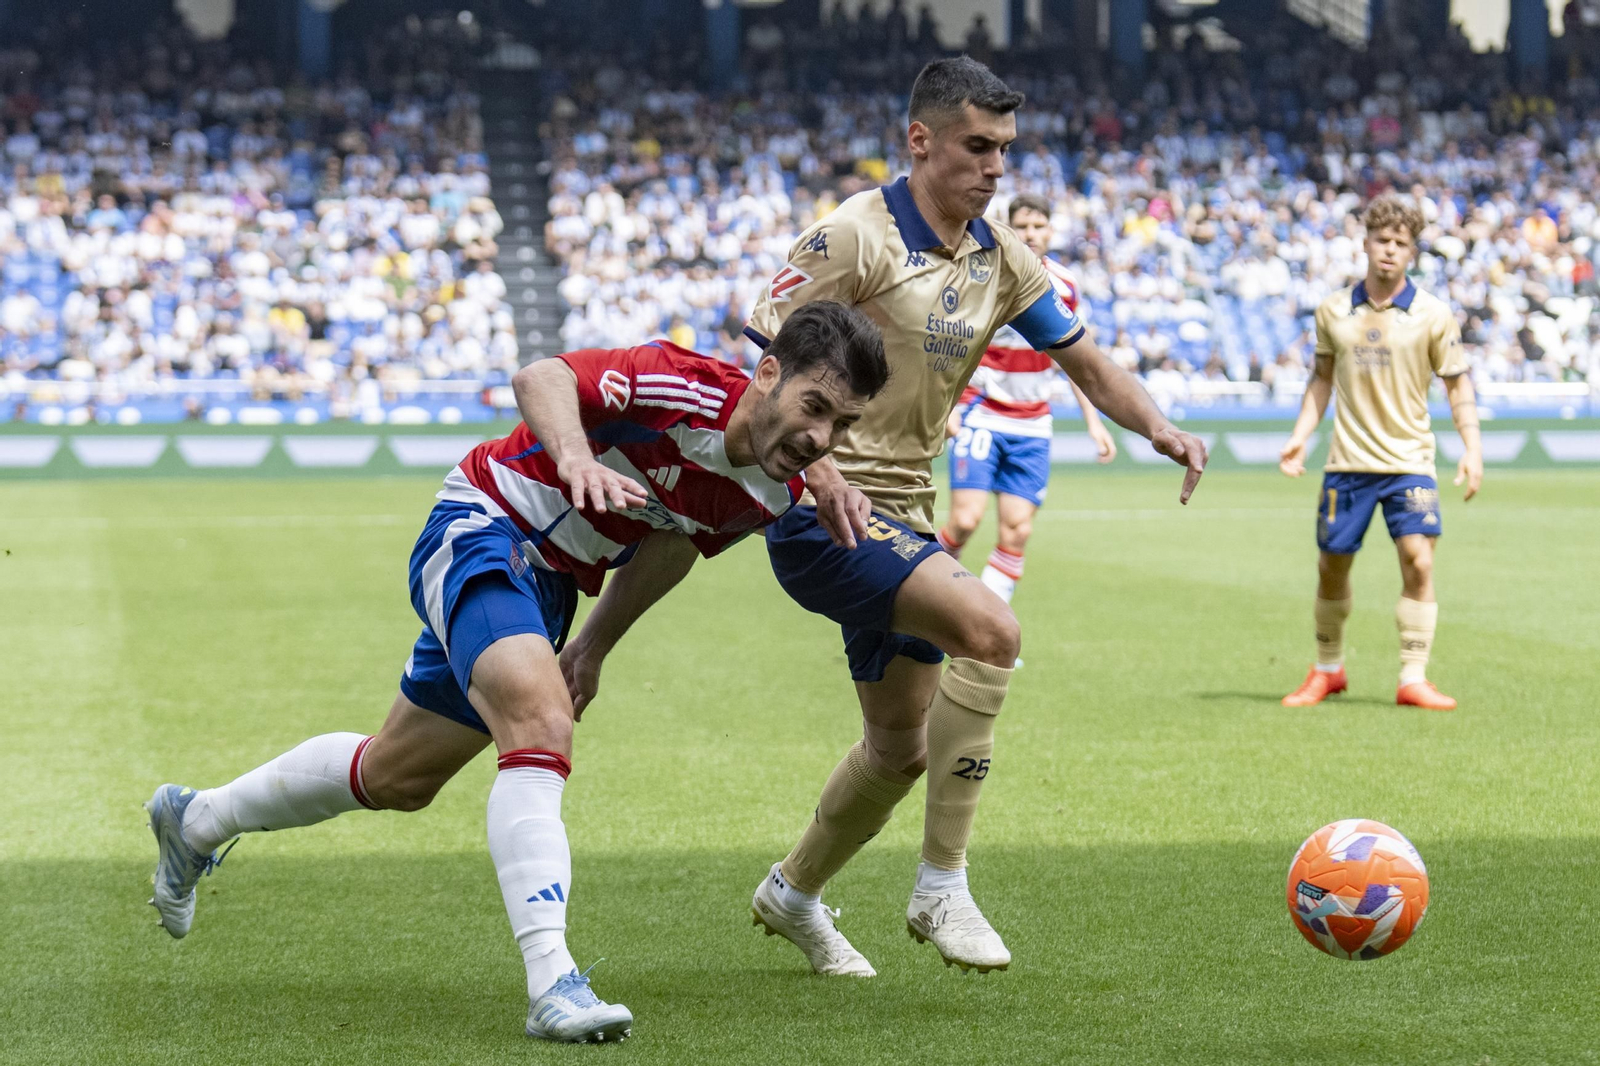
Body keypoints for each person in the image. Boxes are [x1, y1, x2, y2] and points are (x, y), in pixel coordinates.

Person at [143, 301, 889, 1042]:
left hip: (550, 585)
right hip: (483, 523)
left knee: (399, 776)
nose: (820, 438)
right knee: (540, 722)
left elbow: (675, 543)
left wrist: (593, 645)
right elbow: (542, 377)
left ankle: (197, 818)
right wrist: (573, 457)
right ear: (768, 375)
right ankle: (552, 981)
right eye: (814, 406)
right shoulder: (681, 385)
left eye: (842, 425)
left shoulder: (771, 489)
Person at [738, 57, 1208, 977]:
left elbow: (1085, 360)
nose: (996, 168)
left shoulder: (998, 257)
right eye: (977, 147)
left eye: (1006, 151)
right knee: (993, 629)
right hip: (816, 508)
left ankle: (791, 893)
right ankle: (941, 885)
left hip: (904, 512)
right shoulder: (855, 236)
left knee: (901, 746)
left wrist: (1159, 426)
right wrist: (819, 465)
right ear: (921, 140)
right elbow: (757, 355)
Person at [1278, 195, 1482, 711]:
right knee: (1332, 566)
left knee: (1418, 561)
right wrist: (1302, 434)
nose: (1389, 250)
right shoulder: (1333, 311)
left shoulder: (1434, 314)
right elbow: (1320, 381)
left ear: (1412, 252)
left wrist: (1472, 450)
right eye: (1381, 240)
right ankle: (1328, 669)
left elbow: (1458, 387)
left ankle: (1413, 676)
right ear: (1365, 243)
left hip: (1410, 463)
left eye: (1400, 243)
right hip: (1347, 463)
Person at [937, 193, 1118, 610]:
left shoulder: (1066, 284)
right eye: (1023, 226)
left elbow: (1077, 357)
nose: (1031, 234)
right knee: (964, 521)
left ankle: (981, 625)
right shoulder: (983, 274)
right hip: (980, 411)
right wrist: (947, 407)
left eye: (1039, 227)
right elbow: (953, 343)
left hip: (1033, 422)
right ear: (1009, 228)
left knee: (1016, 531)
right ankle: (930, 606)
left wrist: (1094, 421)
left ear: (1051, 231)